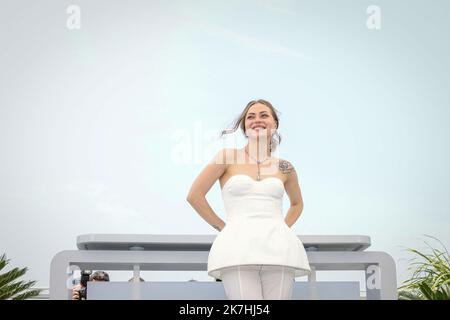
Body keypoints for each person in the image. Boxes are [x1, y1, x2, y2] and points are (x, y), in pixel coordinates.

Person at [187, 99, 311, 300]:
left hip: (279, 248)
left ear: (275, 123)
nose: (257, 120)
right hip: (236, 247)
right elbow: (194, 195)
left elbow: (297, 204)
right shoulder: (226, 156)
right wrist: (223, 227)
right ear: (245, 126)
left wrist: (282, 228)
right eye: (250, 117)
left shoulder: (285, 167)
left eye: (264, 115)